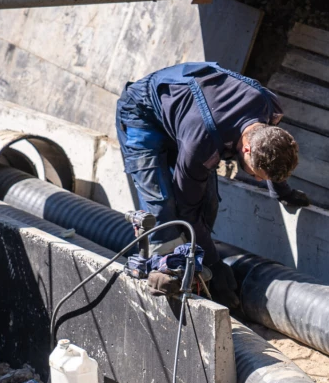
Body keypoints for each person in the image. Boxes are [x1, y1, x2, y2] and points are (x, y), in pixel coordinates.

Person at [116, 62, 308, 307]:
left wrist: (283, 191)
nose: (258, 179)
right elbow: (188, 211)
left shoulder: (268, 106)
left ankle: (195, 268)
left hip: (187, 117)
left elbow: (274, 147)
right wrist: (214, 264)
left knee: (209, 204)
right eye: (258, 174)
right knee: (163, 211)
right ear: (246, 148)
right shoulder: (202, 143)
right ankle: (167, 275)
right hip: (142, 113)